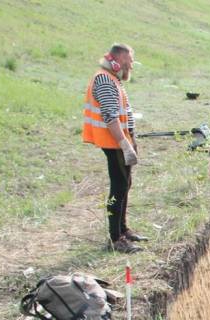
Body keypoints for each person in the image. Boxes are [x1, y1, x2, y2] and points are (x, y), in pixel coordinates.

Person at [83, 43, 147, 254]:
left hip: (120, 141)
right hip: (114, 142)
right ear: (117, 60)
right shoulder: (104, 79)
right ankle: (115, 238)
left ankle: (123, 229)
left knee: (125, 184)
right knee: (118, 188)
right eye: (129, 62)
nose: (131, 66)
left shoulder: (112, 79)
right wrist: (125, 144)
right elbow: (109, 116)